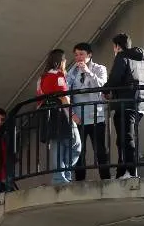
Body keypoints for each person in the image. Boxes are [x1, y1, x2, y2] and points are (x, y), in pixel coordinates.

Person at [103, 31, 144, 178]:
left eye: (114, 47)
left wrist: (105, 89)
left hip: (125, 102)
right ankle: (123, 170)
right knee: (125, 137)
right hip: (139, 104)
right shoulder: (140, 60)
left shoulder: (122, 57)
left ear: (117, 46)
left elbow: (115, 78)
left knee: (126, 138)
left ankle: (129, 171)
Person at [66, 42, 110, 182]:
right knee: (79, 152)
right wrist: (72, 114)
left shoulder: (99, 68)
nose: (78, 57)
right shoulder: (72, 72)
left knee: (100, 151)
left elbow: (102, 86)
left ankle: (106, 179)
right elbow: (66, 92)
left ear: (89, 55)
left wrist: (88, 72)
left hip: (97, 117)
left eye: (81, 54)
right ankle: (79, 181)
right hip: (79, 118)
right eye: (76, 55)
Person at [37, 49, 81, 184]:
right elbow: (63, 97)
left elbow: (38, 101)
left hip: (47, 114)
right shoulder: (59, 76)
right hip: (61, 114)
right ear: (61, 61)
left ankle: (60, 177)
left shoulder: (42, 78)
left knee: (57, 146)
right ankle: (65, 173)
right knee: (76, 145)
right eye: (65, 59)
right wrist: (73, 115)